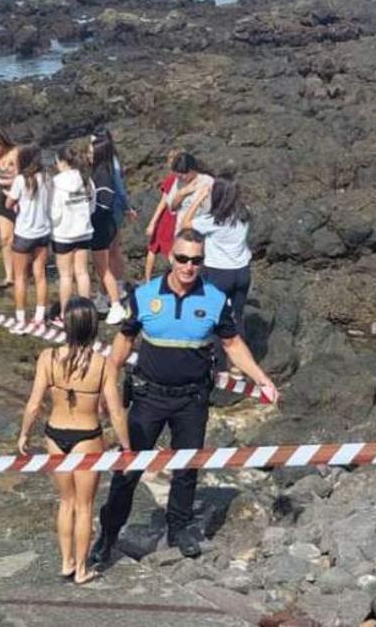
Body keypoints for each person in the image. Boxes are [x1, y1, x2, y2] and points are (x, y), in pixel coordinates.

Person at [90, 229, 278, 564]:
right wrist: (108, 384)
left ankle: (179, 530)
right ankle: (108, 535)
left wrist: (262, 379)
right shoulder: (145, 296)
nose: (189, 266)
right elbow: (123, 342)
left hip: (192, 399)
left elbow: (233, 344)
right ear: (170, 257)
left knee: (187, 468)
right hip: (148, 398)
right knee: (128, 468)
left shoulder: (215, 300)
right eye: (182, 258)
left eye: (196, 260)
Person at [18, 298, 131, 585]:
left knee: (65, 502)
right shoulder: (103, 365)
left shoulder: (48, 357)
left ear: (66, 325)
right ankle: (81, 568)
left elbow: (33, 404)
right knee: (85, 506)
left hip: (55, 434)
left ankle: (66, 561)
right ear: (94, 327)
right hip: (87, 437)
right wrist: (127, 447)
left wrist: (24, 434)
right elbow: (116, 411)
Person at [180, 178, 252, 335]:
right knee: (237, 316)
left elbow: (185, 224)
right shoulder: (245, 213)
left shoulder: (212, 220)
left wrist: (198, 199)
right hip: (242, 271)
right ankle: (238, 355)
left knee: (216, 317)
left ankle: (218, 357)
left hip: (220, 273)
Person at [6, 144, 51, 332]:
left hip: (24, 234)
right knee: (40, 275)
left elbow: (9, 203)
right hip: (43, 232)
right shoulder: (47, 178)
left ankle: (21, 320)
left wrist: (16, 202)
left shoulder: (20, 180)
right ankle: (40, 317)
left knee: (20, 278)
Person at [50, 142, 95, 322]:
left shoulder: (56, 184)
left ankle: (64, 314)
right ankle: (86, 313)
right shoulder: (86, 179)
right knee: (82, 272)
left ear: (61, 162)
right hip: (84, 232)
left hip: (63, 235)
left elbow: (54, 213)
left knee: (66, 276)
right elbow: (92, 206)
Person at [89, 130, 127, 325]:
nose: (88, 152)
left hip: (102, 225)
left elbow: (105, 200)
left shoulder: (102, 174)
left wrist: (90, 213)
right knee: (105, 263)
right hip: (108, 223)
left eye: (91, 149)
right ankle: (104, 298)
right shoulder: (108, 169)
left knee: (103, 268)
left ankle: (116, 305)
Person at [0, 129, 20, 288]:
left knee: (22, 239)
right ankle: (9, 276)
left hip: (20, 200)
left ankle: (25, 271)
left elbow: (24, 175)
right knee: (6, 238)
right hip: (4, 198)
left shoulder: (15, 153)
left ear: (3, 141)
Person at [143, 150, 183, 282]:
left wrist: (153, 222)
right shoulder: (185, 179)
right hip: (178, 217)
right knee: (171, 248)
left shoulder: (172, 179)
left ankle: (148, 280)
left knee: (155, 248)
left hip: (167, 218)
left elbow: (163, 202)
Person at [166, 152, 214, 232]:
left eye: (182, 176)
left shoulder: (207, 181)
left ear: (192, 170)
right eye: (177, 176)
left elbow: (209, 208)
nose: (180, 178)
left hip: (200, 228)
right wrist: (181, 193)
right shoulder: (178, 182)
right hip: (181, 230)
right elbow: (172, 207)